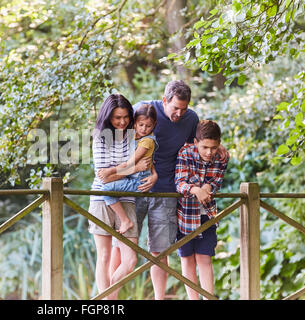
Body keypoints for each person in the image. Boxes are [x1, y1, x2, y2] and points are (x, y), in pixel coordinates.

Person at [106, 80, 228, 299]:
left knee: (160, 252)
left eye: (184, 107)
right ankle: (108, 298)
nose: (180, 113)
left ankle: (159, 298)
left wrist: (221, 148)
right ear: (164, 100)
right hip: (133, 191)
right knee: (121, 247)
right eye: (175, 108)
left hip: (166, 192)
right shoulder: (144, 111)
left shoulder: (191, 118)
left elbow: (200, 143)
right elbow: (119, 136)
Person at [89, 93, 153, 300]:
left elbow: (146, 164)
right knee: (105, 256)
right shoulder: (100, 137)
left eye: (126, 117)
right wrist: (133, 168)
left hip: (127, 199)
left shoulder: (134, 135)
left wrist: (150, 173)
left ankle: (107, 299)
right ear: (108, 117)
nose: (123, 121)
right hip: (102, 199)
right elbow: (103, 177)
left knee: (130, 260)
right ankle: (108, 303)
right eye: (117, 118)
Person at [175, 120, 229, 299]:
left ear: (219, 144)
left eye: (214, 147)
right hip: (185, 215)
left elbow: (216, 182)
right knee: (187, 259)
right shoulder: (185, 153)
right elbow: (180, 183)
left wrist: (209, 187)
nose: (209, 152)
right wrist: (196, 189)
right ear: (196, 142)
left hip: (207, 214)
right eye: (205, 147)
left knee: (205, 258)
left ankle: (208, 297)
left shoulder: (222, 157)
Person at [98, 104, 158, 235]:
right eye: (141, 124)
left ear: (154, 125)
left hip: (138, 181)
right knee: (109, 189)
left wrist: (110, 171)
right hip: (132, 177)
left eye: (148, 126)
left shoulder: (147, 141)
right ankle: (124, 220)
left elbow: (129, 164)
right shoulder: (135, 136)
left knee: (106, 189)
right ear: (135, 123)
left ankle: (125, 220)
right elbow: (151, 162)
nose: (144, 129)